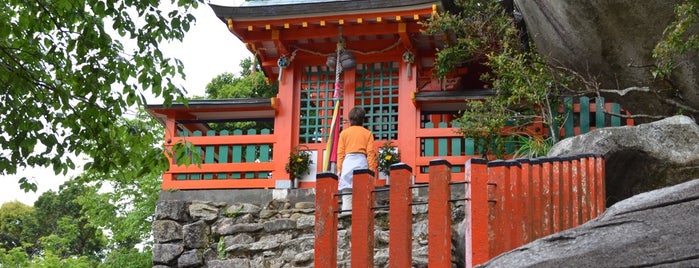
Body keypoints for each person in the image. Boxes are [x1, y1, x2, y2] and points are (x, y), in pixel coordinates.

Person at [337, 107, 377, 213]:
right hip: (361, 162)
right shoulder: (367, 133)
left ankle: (346, 217)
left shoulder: (344, 134)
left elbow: (340, 153)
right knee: (362, 193)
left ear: (350, 119)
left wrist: (339, 169)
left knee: (347, 195)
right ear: (363, 119)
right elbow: (370, 153)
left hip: (348, 162)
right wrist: (371, 169)